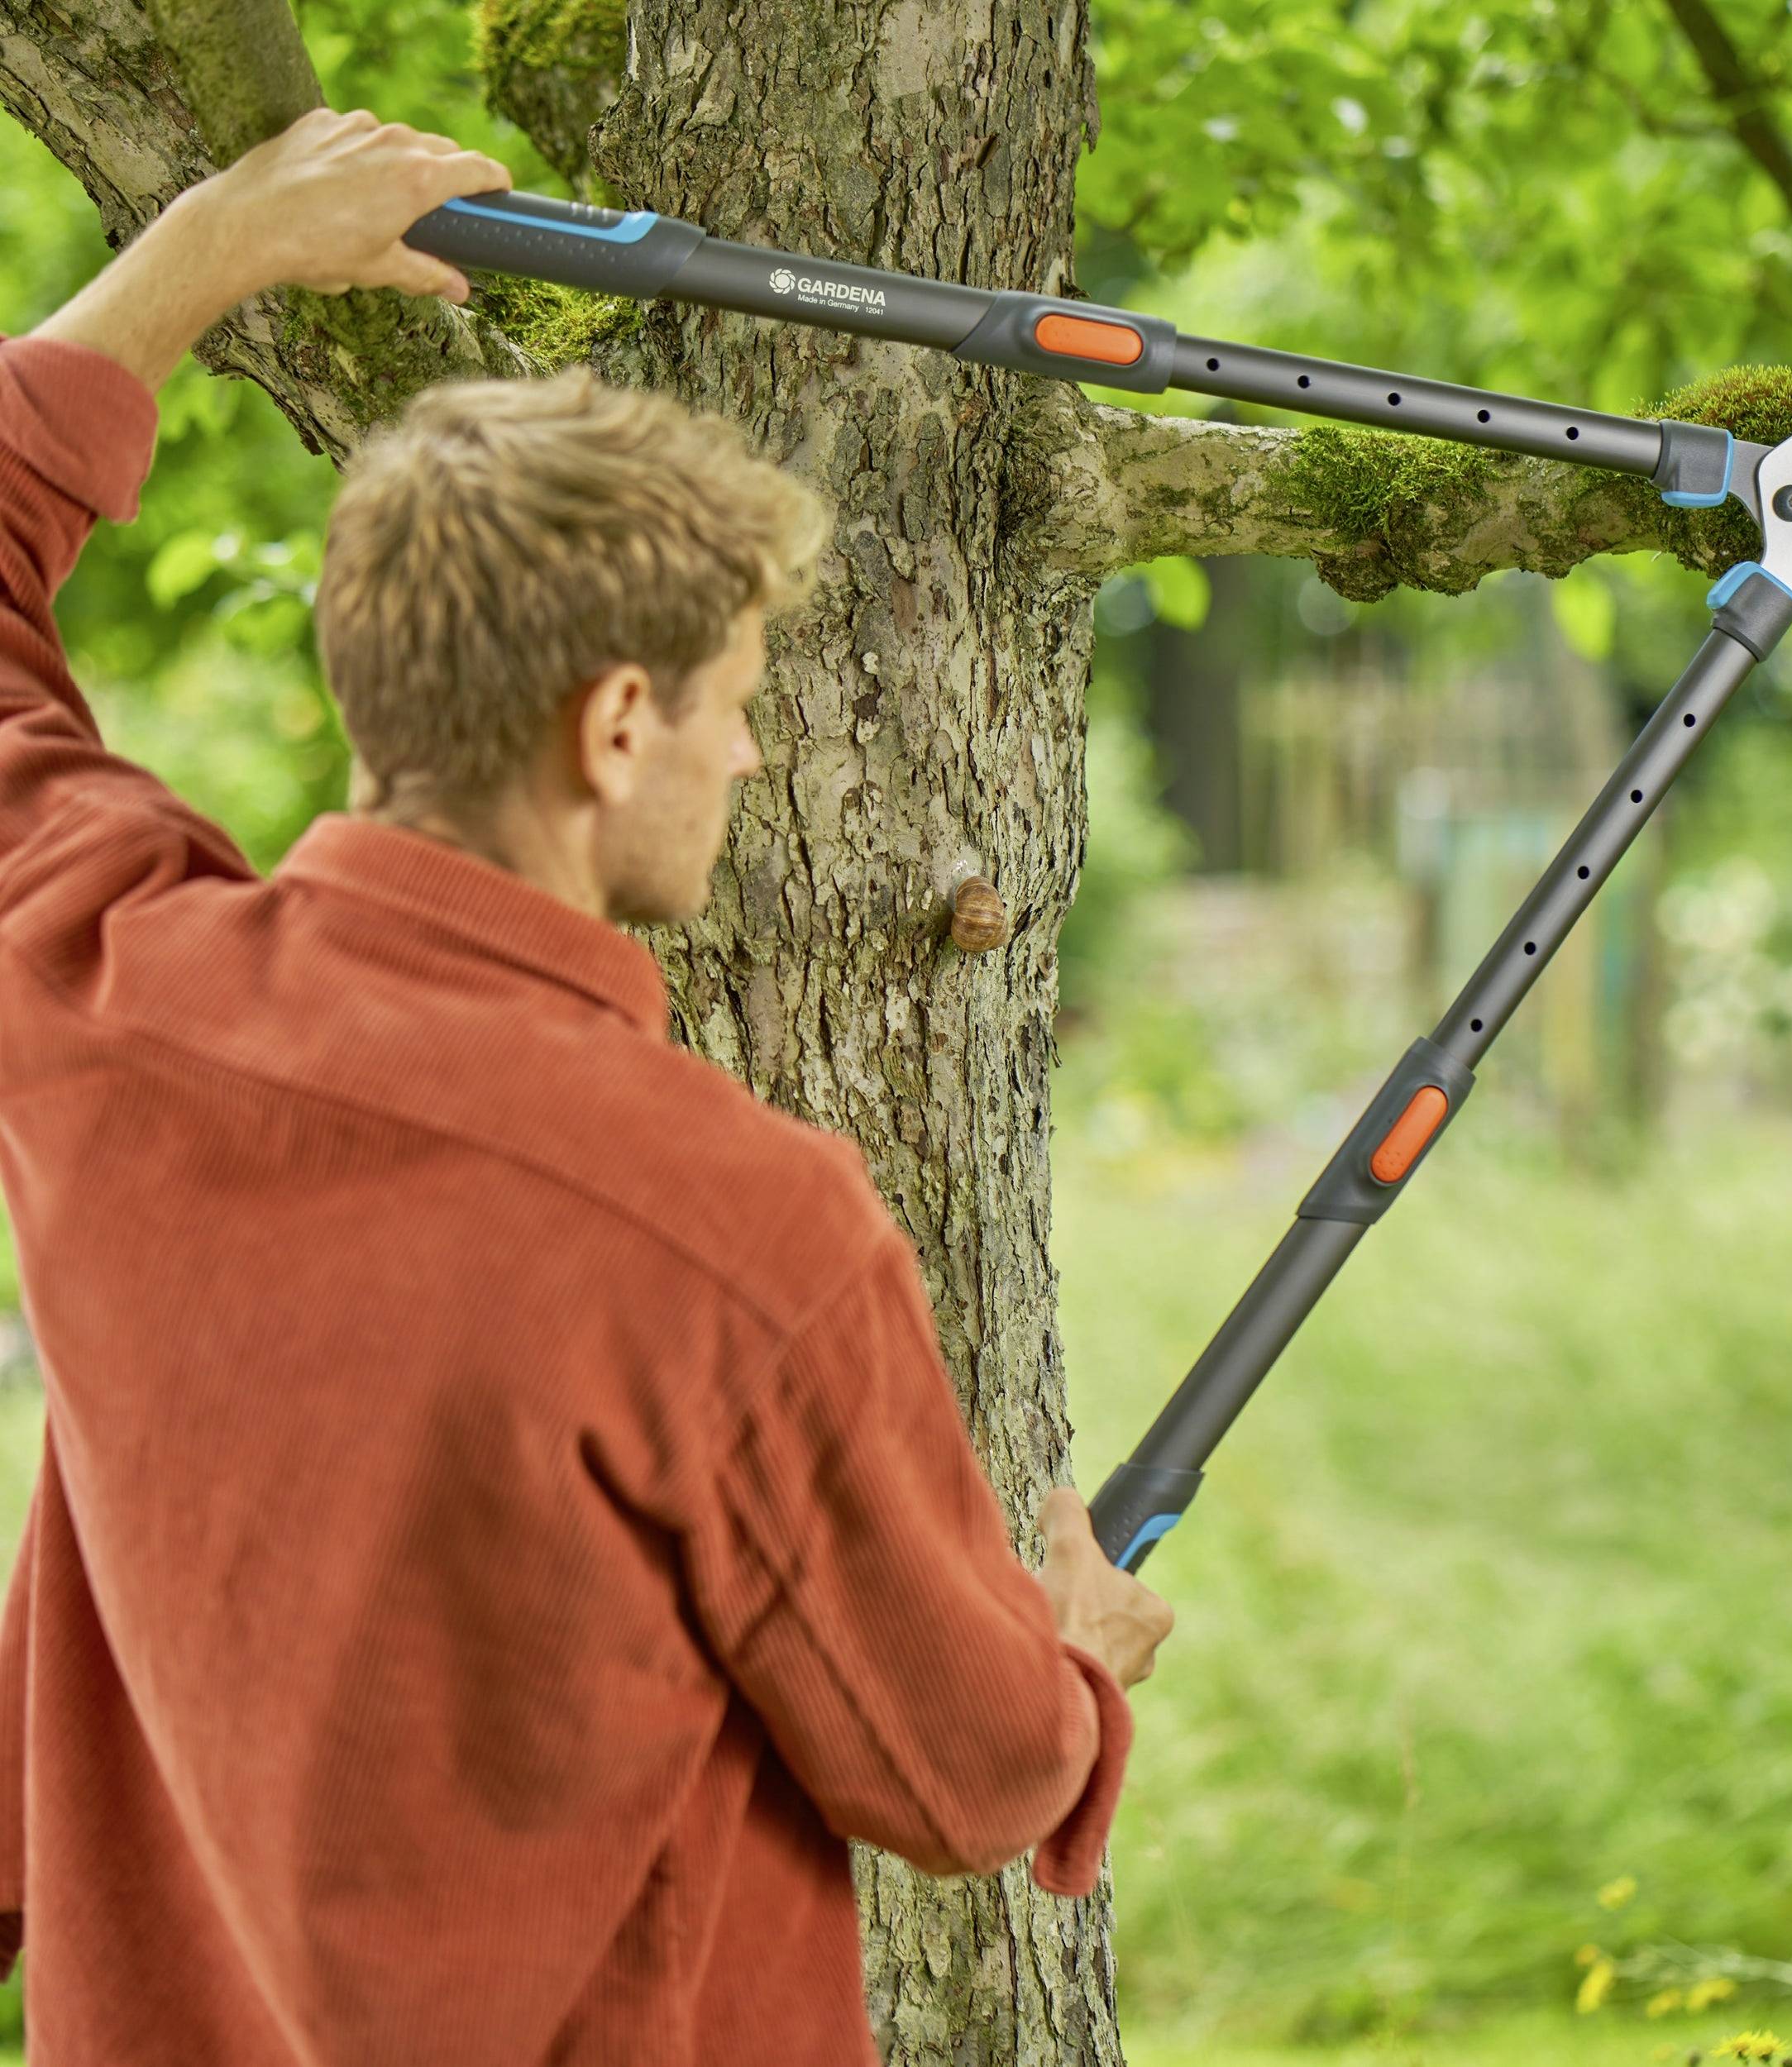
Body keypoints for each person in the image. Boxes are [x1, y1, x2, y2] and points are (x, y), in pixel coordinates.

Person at [0, 105, 1174, 2062]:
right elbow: (960, 1777)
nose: (742, 760)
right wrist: (1075, 1666)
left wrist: (213, 242)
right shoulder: (741, 1228)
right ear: (616, 721)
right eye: (730, 704)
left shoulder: (108, 988)